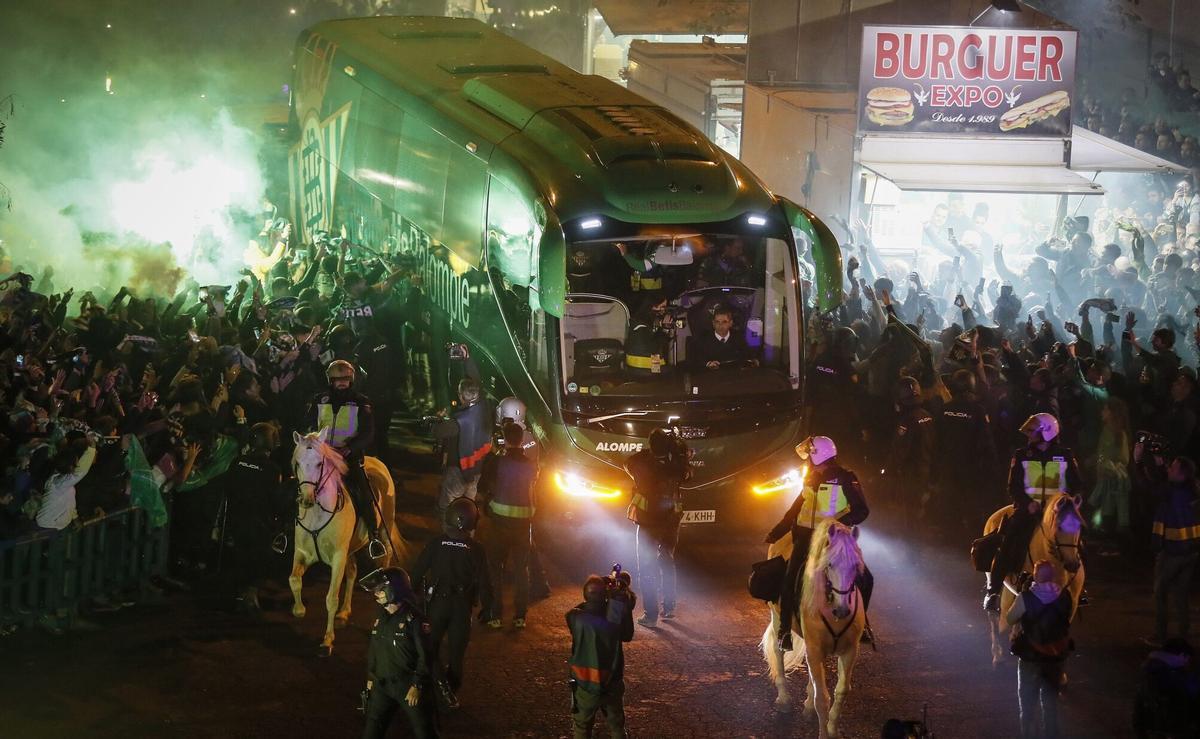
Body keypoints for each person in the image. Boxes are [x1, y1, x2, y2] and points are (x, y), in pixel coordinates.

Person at [765, 436, 872, 651]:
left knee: (866, 578)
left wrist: (838, 525)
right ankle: (784, 631)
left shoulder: (845, 478)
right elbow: (796, 509)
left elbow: (862, 510)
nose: (807, 460)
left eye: (810, 456)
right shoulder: (811, 477)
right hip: (804, 538)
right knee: (789, 579)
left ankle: (863, 626)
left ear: (817, 455)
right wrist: (778, 531)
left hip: (833, 539)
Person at [984, 413, 1083, 611]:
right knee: (1008, 540)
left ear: (1047, 433)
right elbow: (1013, 487)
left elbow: (1077, 485)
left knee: (1077, 540)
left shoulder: (1065, 454)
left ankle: (1079, 586)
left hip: (1057, 512)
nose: (1029, 436)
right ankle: (993, 591)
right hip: (1029, 510)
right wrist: (1027, 503)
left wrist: (1071, 503)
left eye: (1033, 432)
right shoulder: (1021, 455)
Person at [410, 497, 491, 710]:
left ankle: (433, 689)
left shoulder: (436, 543)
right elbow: (485, 583)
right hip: (462, 608)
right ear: (474, 521)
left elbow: (417, 573)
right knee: (456, 654)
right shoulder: (477, 549)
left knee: (430, 649)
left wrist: (410, 599)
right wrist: (488, 609)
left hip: (436, 604)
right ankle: (451, 694)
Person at [306, 359, 385, 558]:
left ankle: (374, 535)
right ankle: (285, 530)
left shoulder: (361, 401)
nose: (342, 383)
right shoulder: (319, 399)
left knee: (363, 491)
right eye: (337, 380)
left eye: (345, 379)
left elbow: (368, 433)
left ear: (352, 380)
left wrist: (349, 449)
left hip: (347, 458)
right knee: (300, 484)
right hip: (322, 457)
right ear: (330, 381)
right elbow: (307, 425)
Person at [359, 567, 439, 739]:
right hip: (382, 684)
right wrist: (371, 678)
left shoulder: (415, 619)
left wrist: (417, 685)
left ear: (394, 589)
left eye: (381, 590)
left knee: (424, 731)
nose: (376, 594)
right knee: (371, 733)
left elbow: (427, 655)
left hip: (407, 685)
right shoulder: (380, 617)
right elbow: (374, 650)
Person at [624, 429, 691, 627]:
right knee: (667, 560)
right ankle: (669, 608)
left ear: (651, 445)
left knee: (646, 567)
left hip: (648, 522)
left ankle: (650, 615)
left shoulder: (642, 462)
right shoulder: (676, 465)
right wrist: (674, 449)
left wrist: (653, 451)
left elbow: (627, 463)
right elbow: (688, 472)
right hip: (671, 521)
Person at [221, 420, 285, 614]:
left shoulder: (237, 462)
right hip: (260, 525)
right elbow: (275, 500)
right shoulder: (272, 469)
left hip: (235, 521)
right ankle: (250, 597)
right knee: (258, 560)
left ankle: (240, 594)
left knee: (239, 557)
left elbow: (228, 490)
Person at [478, 422, 538, 629]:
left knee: (495, 569)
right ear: (522, 440)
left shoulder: (496, 462)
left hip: (499, 523)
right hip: (523, 525)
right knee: (522, 571)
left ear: (503, 438)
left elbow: (483, 487)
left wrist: (495, 453)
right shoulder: (532, 465)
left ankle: (495, 615)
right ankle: (520, 616)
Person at [1005, 560, 1074, 739]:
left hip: (1031, 656)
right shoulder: (1065, 595)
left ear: (1035, 575)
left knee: (1027, 706)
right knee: (1051, 705)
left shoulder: (1025, 597)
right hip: (1055, 657)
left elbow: (1010, 618)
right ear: (1052, 576)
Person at [1139, 448, 1200, 646]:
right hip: (1191, 550)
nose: (1169, 470)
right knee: (1182, 595)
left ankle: (1160, 635)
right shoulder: (1193, 490)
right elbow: (1165, 485)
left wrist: (1139, 462)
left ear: (1181, 474)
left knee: (1161, 592)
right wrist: (1162, 467)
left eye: (1173, 468)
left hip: (1173, 551)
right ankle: (1184, 634)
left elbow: (1149, 488)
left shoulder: (1171, 492)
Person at [495, 396, 551, 600]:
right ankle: (540, 583)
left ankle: (498, 587)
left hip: (507, 503)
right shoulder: (530, 438)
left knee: (503, 547)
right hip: (527, 503)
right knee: (528, 544)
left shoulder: (512, 443)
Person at [566, 573, 636, 739]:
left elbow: (584, 606)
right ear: (605, 597)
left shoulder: (574, 617)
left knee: (582, 727)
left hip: (585, 683)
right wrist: (617, 598)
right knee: (617, 726)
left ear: (585, 595)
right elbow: (627, 634)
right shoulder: (613, 619)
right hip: (611, 680)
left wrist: (602, 592)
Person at [433, 378, 492, 514]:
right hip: (477, 469)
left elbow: (436, 432)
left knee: (447, 506)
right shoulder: (483, 409)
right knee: (469, 507)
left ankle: (451, 532)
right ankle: (468, 533)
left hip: (458, 471)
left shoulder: (458, 421)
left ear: (460, 396)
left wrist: (439, 419)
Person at [688, 306, 758, 370]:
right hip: (712, 376)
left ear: (730, 323)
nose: (720, 325)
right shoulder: (703, 339)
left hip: (735, 375)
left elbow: (747, 354)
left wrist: (753, 360)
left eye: (724, 322)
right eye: (717, 322)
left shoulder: (739, 337)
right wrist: (708, 363)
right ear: (713, 323)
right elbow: (696, 360)